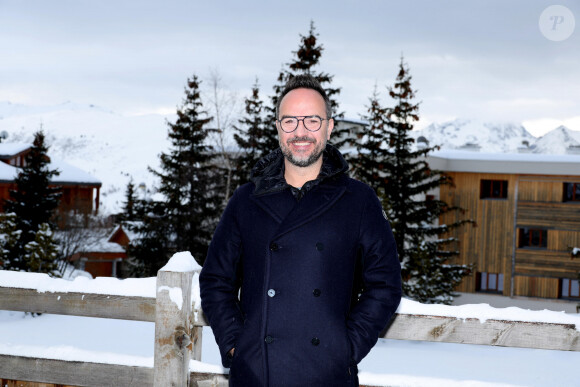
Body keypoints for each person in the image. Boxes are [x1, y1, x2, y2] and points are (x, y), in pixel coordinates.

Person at [200, 74, 402, 386]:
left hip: (328, 375)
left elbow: (385, 285)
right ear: (278, 127)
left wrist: (344, 349)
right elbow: (216, 281)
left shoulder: (359, 200)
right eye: (290, 121)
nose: (301, 131)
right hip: (257, 374)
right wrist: (236, 346)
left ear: (329, 127)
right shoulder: (246, 200)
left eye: (312, 120)